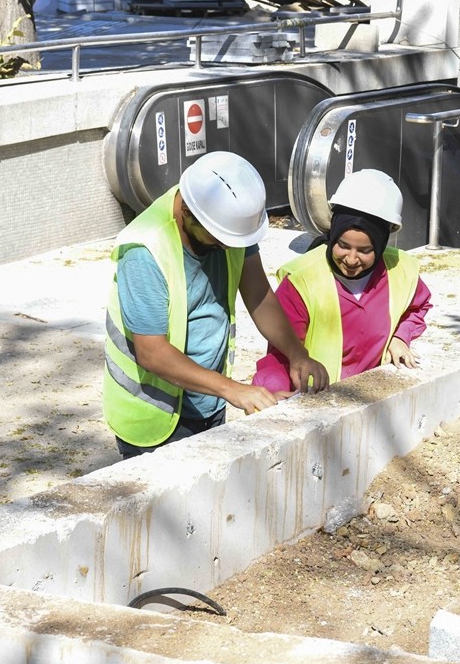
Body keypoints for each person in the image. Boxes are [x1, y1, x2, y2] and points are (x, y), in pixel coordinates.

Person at [104, 152, 329, 458]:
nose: (227, 246)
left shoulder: (229, 224)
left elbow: (258, 294)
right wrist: (232, 389)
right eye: (218, 238)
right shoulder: (145, 250)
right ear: (185, 210)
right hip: (152, 418)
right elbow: (152, 352)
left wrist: (296, 354)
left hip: (209, 401)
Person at [253, 169, 432, 393]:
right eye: (343, 245)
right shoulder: (301, 282)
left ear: (381, 242)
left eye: (365, 250)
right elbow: (280, 354)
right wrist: (273, 390)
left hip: (367, 400)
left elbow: (417, 307)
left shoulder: (401, 270)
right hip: (318, 405)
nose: (351, 259)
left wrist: (401, 337)